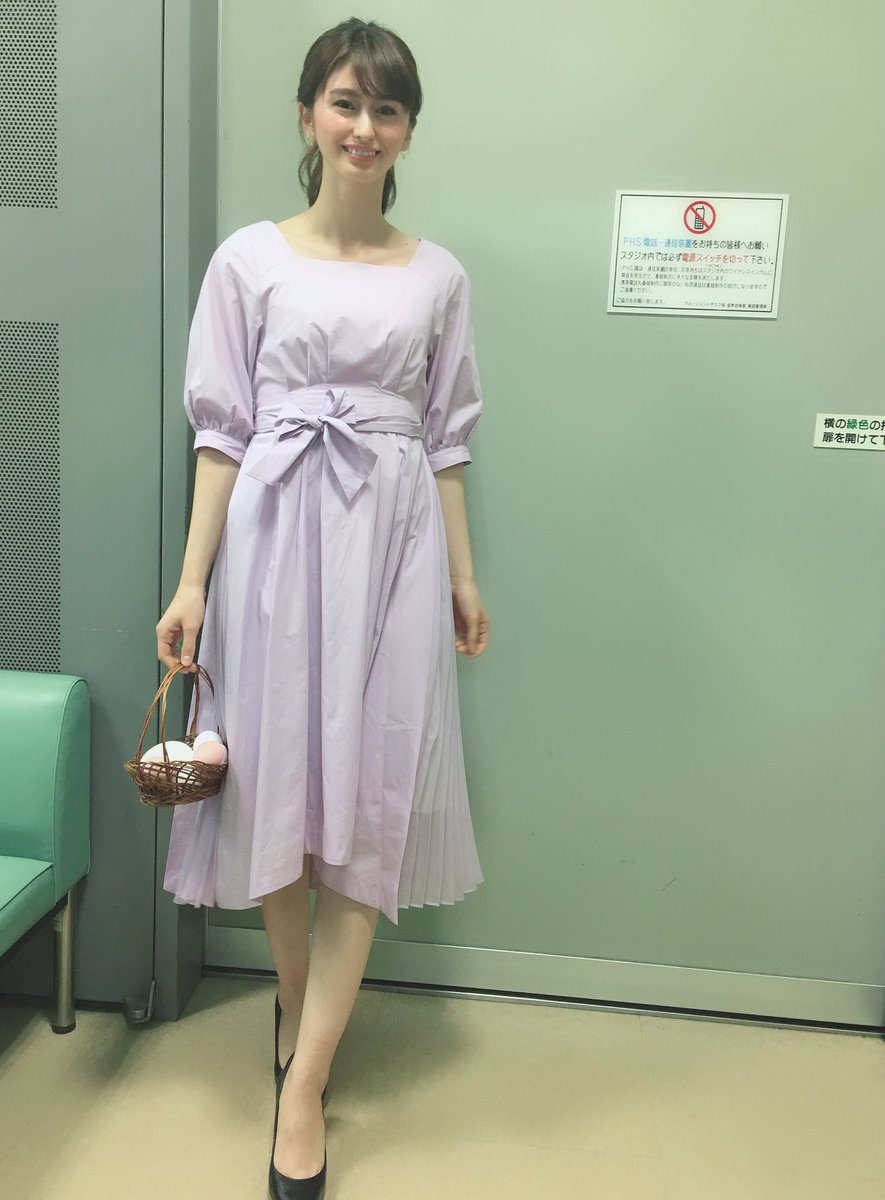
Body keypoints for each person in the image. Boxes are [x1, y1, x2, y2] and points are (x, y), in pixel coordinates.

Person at [155, 16, 490, 1198]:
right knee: (276, 791)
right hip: (274, 542)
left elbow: (447, 441)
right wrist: (193, 581)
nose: (365, 126)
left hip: (394, 550)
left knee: (372, 794)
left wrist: (463, 575)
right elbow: (221, 435)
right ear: (308, 115)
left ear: (408, 132)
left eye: (387, 109)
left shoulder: (439, 275)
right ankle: (301, 1013)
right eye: (346, 102)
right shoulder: (248, 260)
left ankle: (302, 1088)